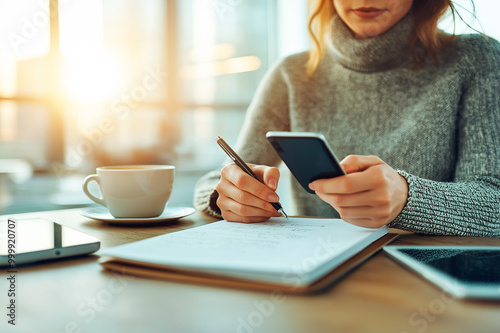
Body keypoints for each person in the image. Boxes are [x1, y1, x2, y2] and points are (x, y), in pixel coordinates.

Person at [194, 0, 500, 237]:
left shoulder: (476, 60)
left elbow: (494, 200)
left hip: (433, 287)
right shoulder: (292, 74)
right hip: (314, 285)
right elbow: (219, 180)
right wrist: (227, 196)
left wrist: (408, 198)